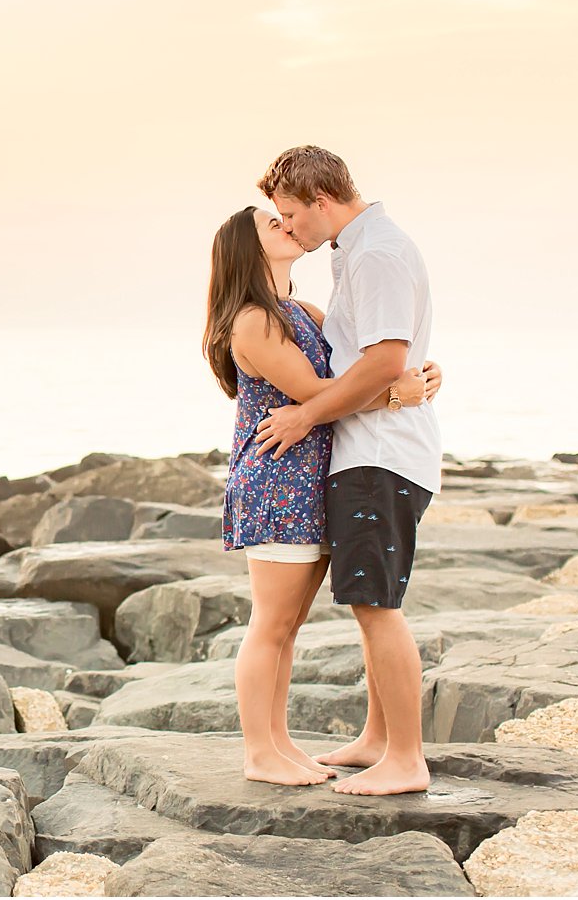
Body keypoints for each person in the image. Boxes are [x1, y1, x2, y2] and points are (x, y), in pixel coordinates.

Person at [203, 205, 440, 787]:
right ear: (245, 250)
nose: (285, 225)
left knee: (290, 626)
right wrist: (396, 391)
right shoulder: (253, 320)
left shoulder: (302, 311)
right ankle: (260, 753)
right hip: (277, 482)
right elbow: (317, 392)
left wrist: (410, 377)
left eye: (284, 217)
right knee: (272, 624)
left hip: (312, 481)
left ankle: (281, 745)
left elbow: (357, 370)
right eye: (270, 223)